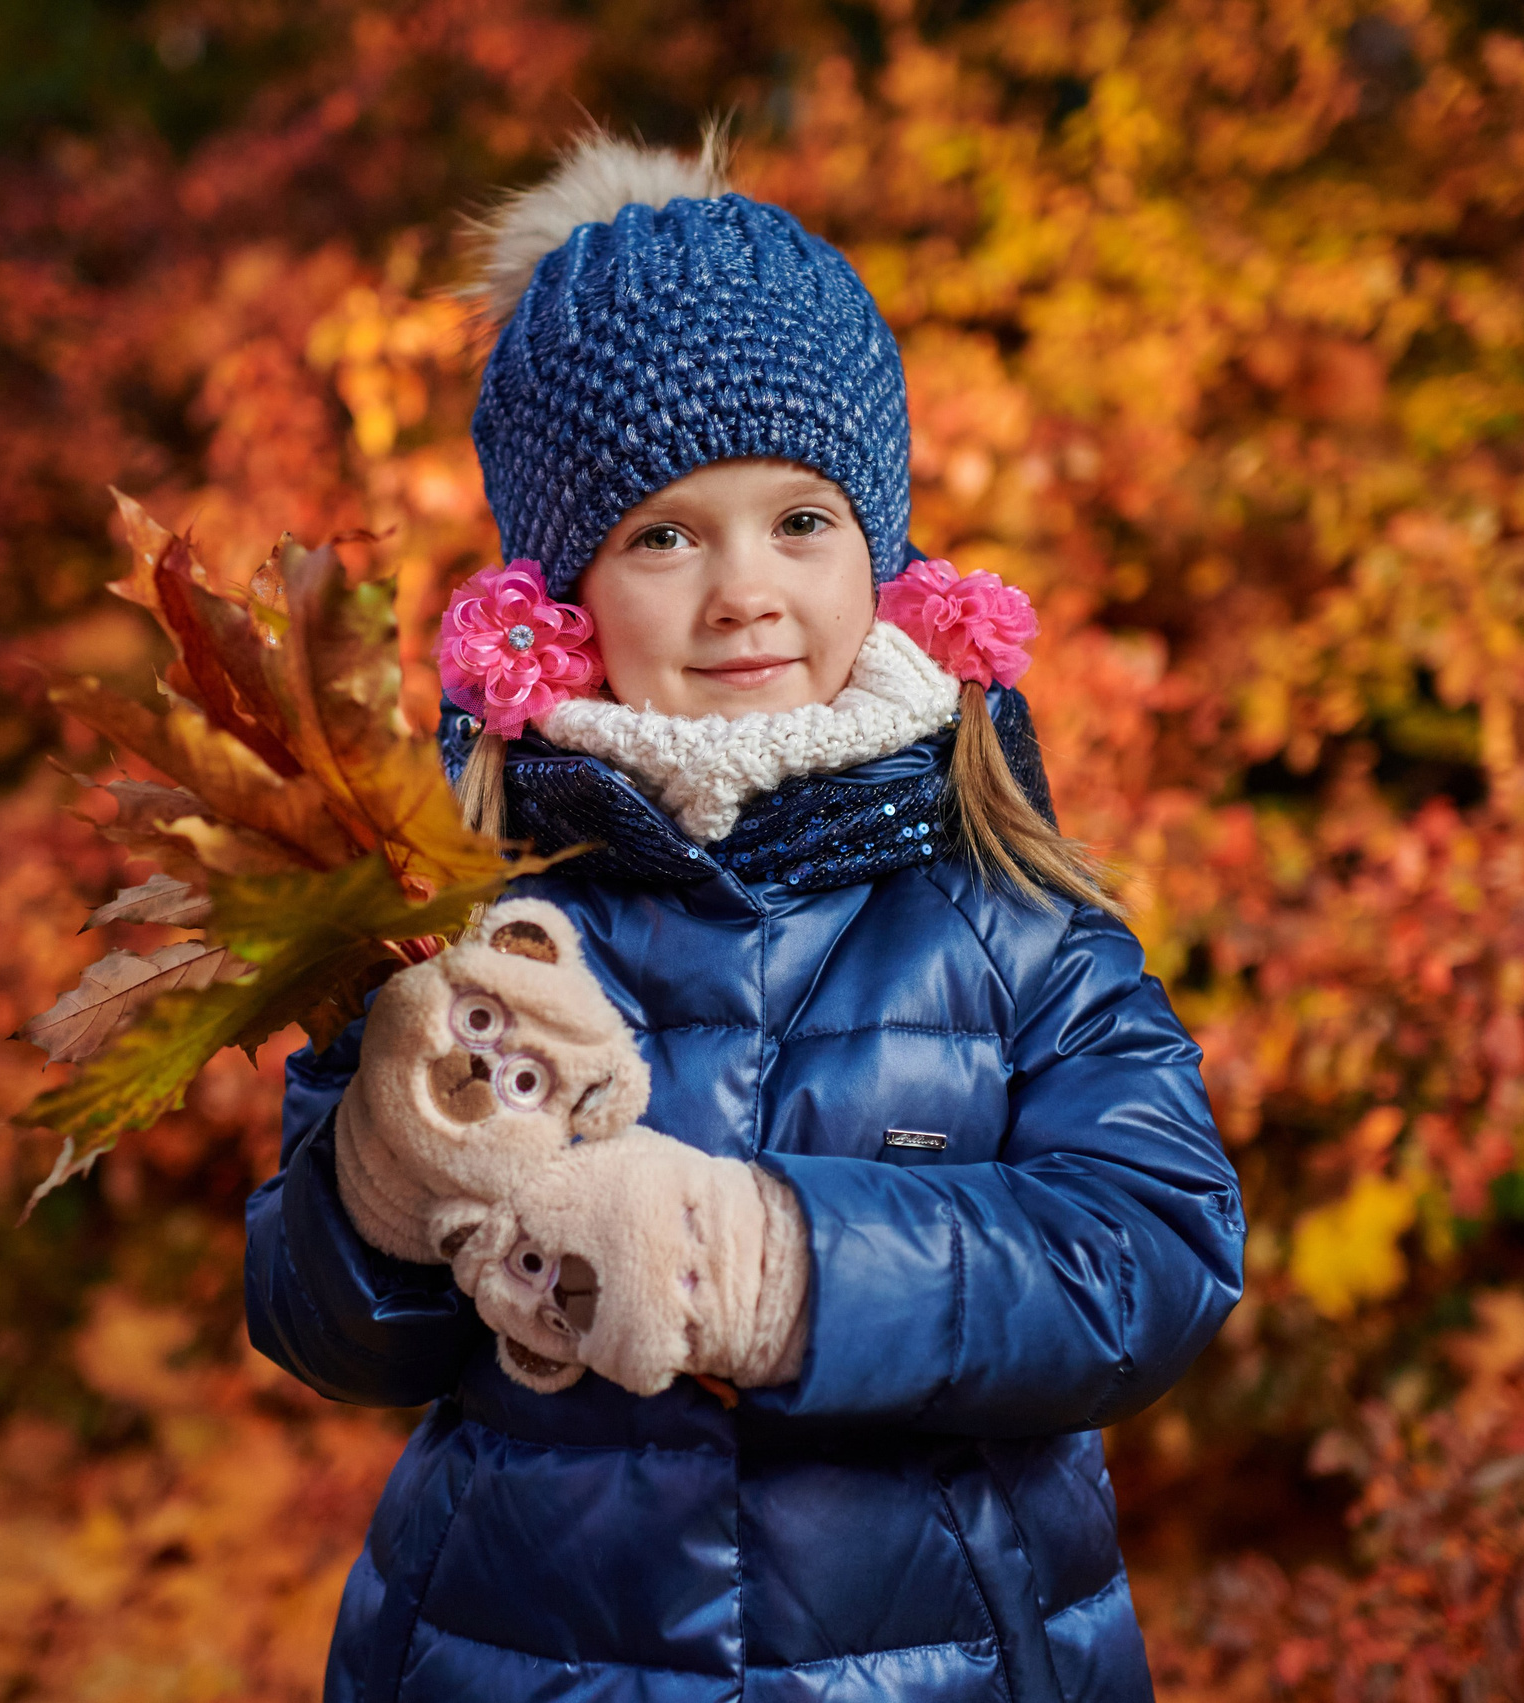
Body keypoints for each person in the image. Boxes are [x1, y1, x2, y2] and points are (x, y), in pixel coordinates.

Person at [245, 132, 1245, 1703]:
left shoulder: (1007, 919)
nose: (743, 593)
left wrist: (763, 1264)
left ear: (883, 547)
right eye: (662, 535)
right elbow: (328, 1332)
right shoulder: (462, 910)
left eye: (802, 520)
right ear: (563, 589)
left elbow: (1151, 1257)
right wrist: (384, 1171)